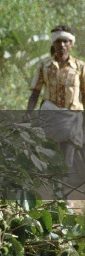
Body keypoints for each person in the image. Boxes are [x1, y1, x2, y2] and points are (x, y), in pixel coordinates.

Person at [26, 25, 85, 198]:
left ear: (71, 44)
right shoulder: (44, 66)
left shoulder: (80, 67)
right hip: (50, 115)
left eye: (66, 41)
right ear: (53, 44)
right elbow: (35, 92)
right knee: (50, 154)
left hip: (72, 117)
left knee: (67, 155)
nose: (62, 45)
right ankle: (53, 192)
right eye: (59, 41)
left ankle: (62, 195)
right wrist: (28, 113)